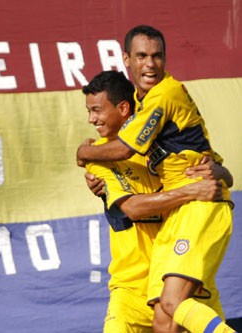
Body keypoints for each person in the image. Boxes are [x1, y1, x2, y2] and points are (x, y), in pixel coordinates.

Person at [76, 25, 236, 333]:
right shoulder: (103, 153)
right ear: (127, 60)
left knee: (173, 307)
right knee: (167, 317)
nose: (150, 64)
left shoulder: (160, 98)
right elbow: (131, 206)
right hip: (142, 270)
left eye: (157, 56)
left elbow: (125, 149)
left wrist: (218, 175)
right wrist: (85, 153)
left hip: (194, 218)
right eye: (141, 56)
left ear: (124, 110)